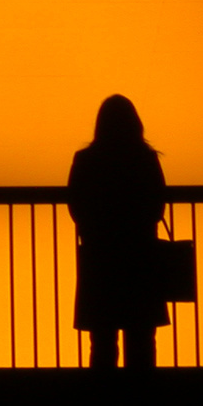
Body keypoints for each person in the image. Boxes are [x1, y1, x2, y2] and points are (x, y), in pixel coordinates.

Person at [67, 94, 169, 370]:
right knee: (142, 336)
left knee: (101, 339)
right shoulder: (145, 159)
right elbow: (157, 203)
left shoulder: (86, 159)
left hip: (100, 258)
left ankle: (104, 398)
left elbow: (76, 204)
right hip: (141, 256)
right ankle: (141, 397)